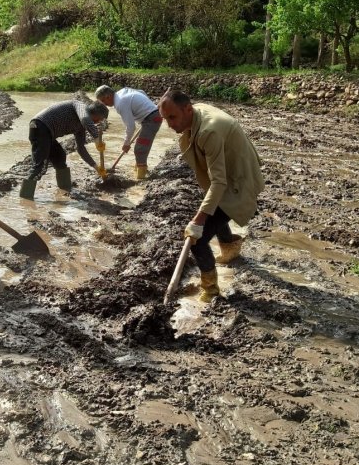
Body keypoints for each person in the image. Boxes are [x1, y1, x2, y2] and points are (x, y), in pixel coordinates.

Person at [158, 88, 264, 302]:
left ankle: (210, 290)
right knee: (214, 208)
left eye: (172, 117)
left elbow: (219, 183)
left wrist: (198, 220)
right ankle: (231, 248)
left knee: (198, 239)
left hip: (237, 181)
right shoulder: (194, 115)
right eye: (165, 118)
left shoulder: (209, 131)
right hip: (229, 174)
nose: (169, 124)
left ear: (187, 109)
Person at [20, 99, 109, 199]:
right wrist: (96, 138)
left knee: (60, 157)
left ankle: (65, 188)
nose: (98, 122)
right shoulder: (80, 107)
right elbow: (85, 119)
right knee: (40, 166)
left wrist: (96, 167)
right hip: (40, 126)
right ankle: (25, 198)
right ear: (94, 112)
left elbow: (81, 149)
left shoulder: (81, 127)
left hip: (48, 133)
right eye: (99, 119)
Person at [95, 85, 163, 179]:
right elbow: (141, 91)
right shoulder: (122, 92)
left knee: (139, 149)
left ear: (108, 96)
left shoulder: (120, 103)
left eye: (103, 101)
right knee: (141, 147)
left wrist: (126, 143)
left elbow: (131, 126)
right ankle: (139, 168)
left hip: (151, 119)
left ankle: (140, 179)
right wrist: (149, 106)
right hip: (150, 116)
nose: (104, 104)